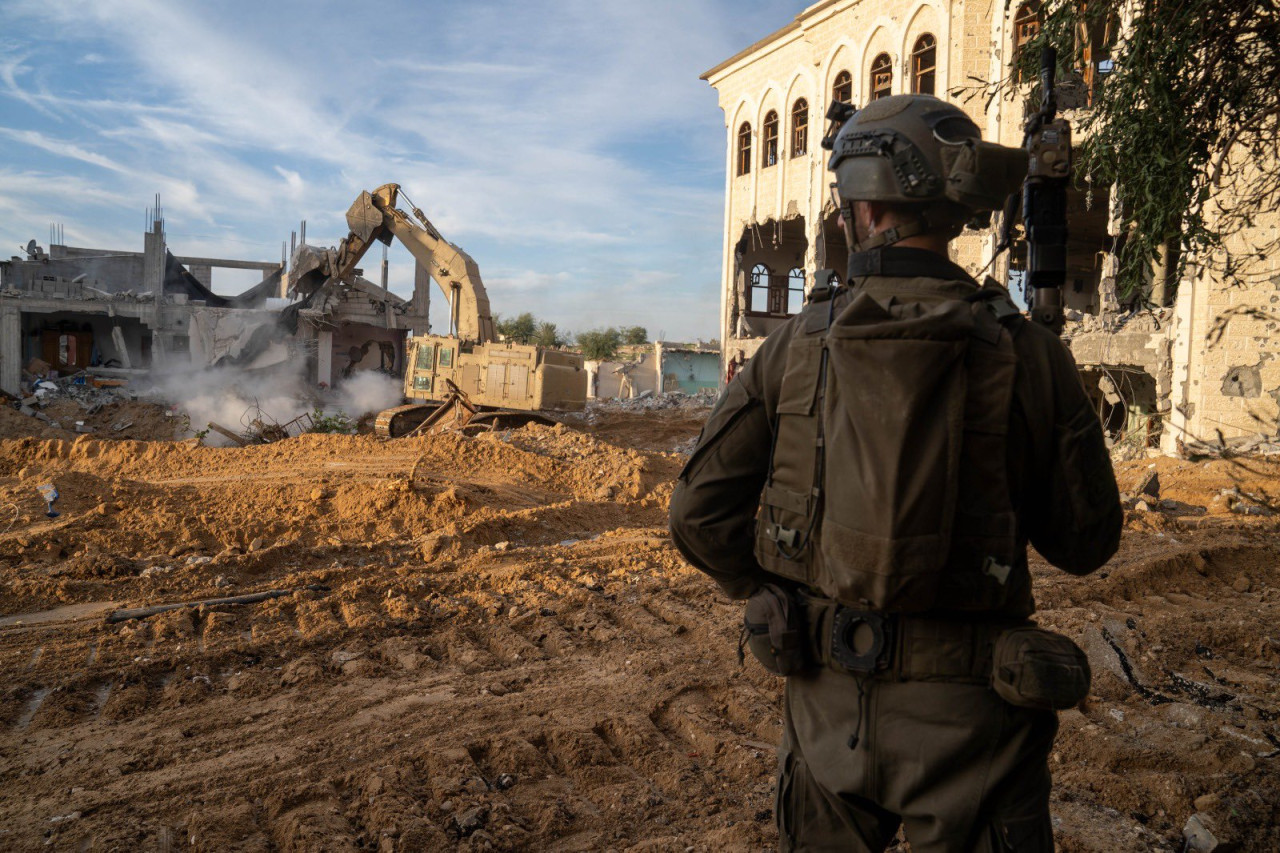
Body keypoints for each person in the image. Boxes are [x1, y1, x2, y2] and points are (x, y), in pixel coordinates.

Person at [669, 94, 1122, 852]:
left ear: (867, 206)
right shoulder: (1029, 353)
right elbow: (1087, 542)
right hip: (978, 726)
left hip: (824, 715)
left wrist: (767, 593)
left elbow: (696, 515)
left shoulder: (794, 346)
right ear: (954, 208)